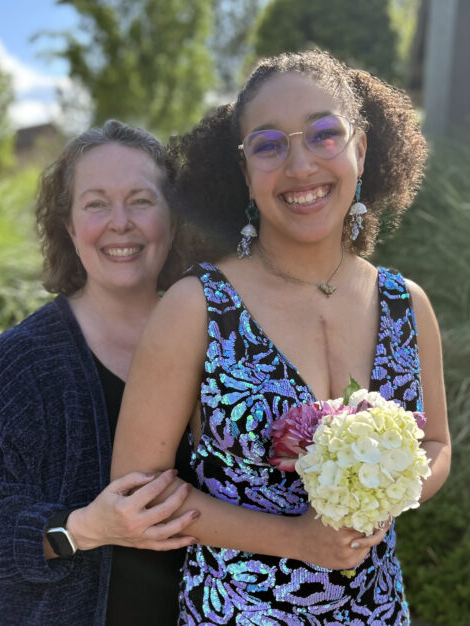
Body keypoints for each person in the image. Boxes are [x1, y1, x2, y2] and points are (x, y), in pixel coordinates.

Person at [112, 50, 451, 624]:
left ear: (361, 150)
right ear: (245, 172)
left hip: (377, 611)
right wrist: (297, 539)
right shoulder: (198, 308)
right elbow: (135, 494)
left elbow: (437, 447)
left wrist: (390, 493)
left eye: (324, 135)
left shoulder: (407, 305)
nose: (299, 167)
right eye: (269, 145)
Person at [0, 120, 200, 626]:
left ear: (173, 219)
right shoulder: (18, 365)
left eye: (142, 201)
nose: (120, 222)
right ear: (70, 227)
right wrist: (81, 528)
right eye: (96, 204)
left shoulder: (216, 343)